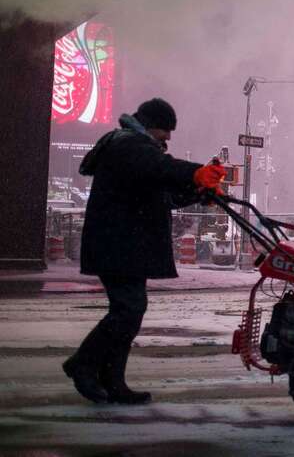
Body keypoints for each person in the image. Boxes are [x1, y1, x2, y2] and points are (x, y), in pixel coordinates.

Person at [63, 99, 226, 404]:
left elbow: (162, 193)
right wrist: (196, 173)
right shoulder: (127, 145)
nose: (168, 138)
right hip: (117, 244)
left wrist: (198, 192)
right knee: (128, 310)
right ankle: (83, 363)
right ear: (150, 124)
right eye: (165, 131)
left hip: (124, 246)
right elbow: (159, 168)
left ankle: (113, 381)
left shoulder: (137, 148)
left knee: (129, 312)